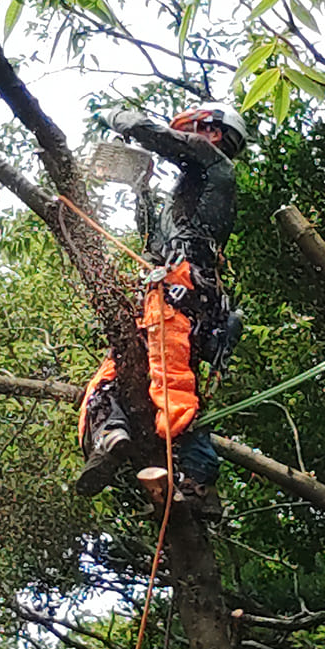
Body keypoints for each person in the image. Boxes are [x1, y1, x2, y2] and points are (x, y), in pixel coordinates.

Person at [75, 101, 247, 507]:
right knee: (110, 378)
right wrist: (142, 190)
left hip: (183, 295)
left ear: (213, 132)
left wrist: (119, 118)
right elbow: (154, 243)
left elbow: (161, 138)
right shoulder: (187, 194)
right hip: (160, 294)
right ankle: (111, 436)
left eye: (193, 130)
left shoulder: (217, 165)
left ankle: (201, 480)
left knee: (173, 391)